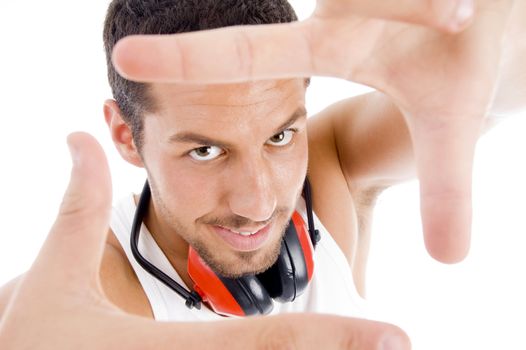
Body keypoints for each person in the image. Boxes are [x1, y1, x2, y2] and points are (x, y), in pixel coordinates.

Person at [0, 0, 524, 348]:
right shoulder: (100, 298)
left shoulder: (331, 165)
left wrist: (503, 49)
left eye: (279, 137)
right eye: (205, 151)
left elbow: (484, 97)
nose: (259, 202)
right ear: (125, 135)